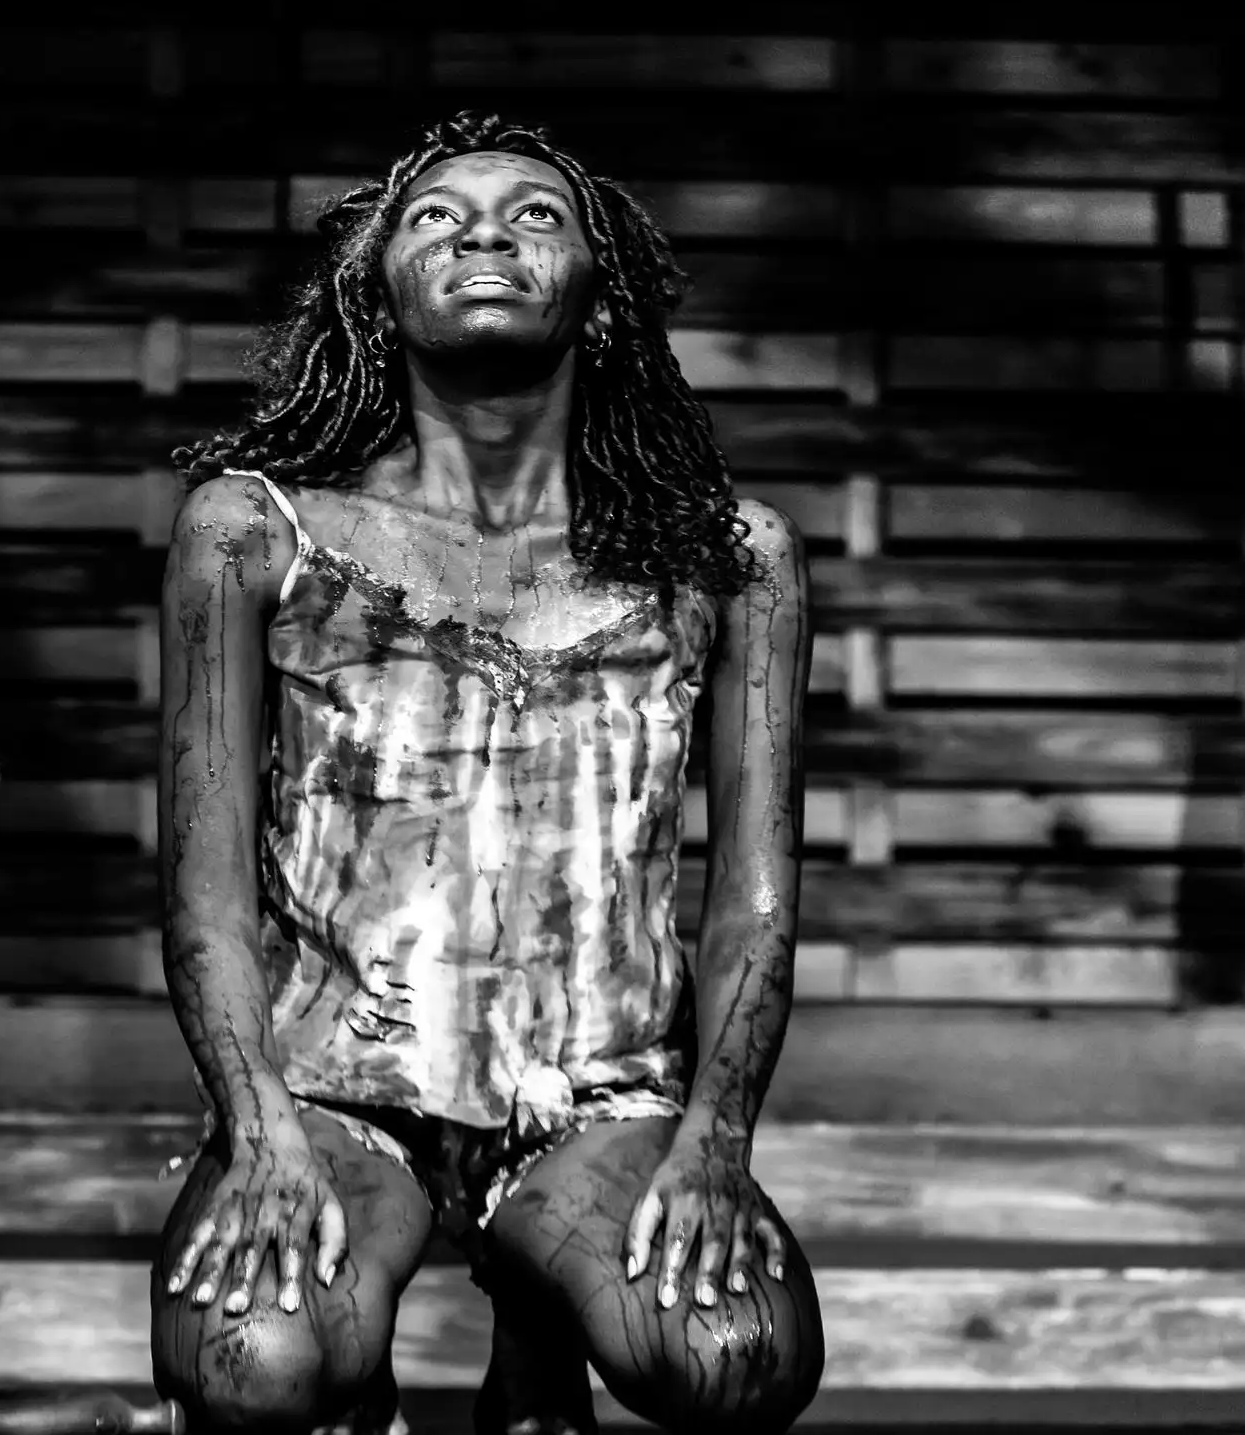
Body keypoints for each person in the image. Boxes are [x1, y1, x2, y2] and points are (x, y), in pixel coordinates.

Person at [150, 113, 822, 1435]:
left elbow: (753, 896)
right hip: (334, 1089)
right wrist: (258, 1131)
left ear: (602, 291)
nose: (484, 238)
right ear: (374, 293)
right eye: (437, 219)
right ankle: (371, 1384)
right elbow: (207, 892)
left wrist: (715, 1143)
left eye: (534, 215)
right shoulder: (256, 530)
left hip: (596, 1094)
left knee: (735, 1358)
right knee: (256, 1364)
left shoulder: (729, 556)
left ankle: (537, 1315)